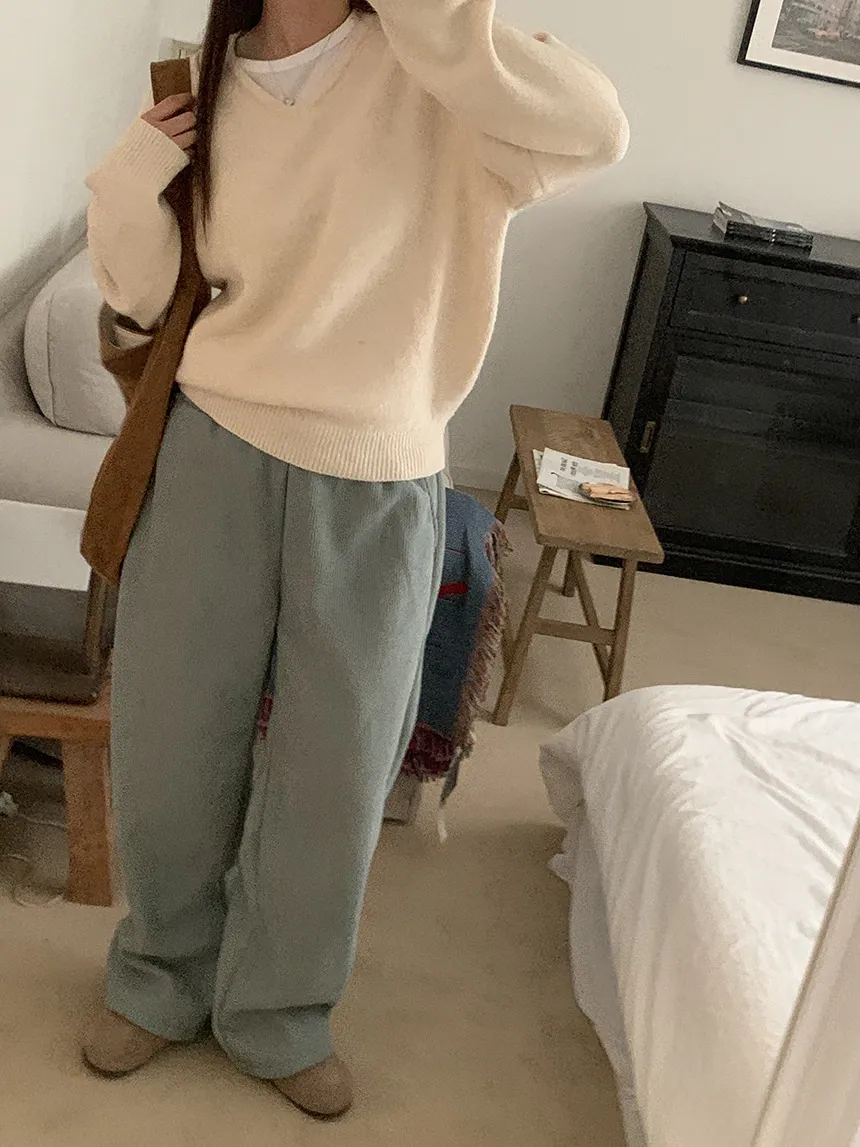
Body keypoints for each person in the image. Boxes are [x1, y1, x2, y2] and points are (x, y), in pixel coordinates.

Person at [82, 0, 628, 1119]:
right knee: (170, 741)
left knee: (336, 769)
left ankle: (279, 1012)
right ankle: (158, 977)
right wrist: (132, 173)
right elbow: (139, 295)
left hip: (379, 476)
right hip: (210, 448)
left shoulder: (441, 67)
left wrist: (435, 23)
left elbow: (595, 128)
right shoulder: (206, 74)